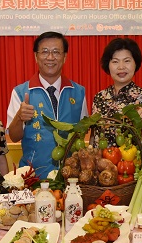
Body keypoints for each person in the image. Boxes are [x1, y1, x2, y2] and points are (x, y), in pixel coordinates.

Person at [6, 31, 87, 179]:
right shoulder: (20, 92)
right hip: (33, 178)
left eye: (56, 52)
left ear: (65, 57)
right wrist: (19, 117)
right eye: (44, 52)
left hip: (71, 178)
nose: (50, 57)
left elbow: (83, 134)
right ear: (36, 56)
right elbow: (14, 136)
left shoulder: (78, 93)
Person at [92, 37, 142, 146]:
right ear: (108, 65)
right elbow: (94, 136)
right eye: (115, 61)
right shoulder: (99, 97)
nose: (121, 67)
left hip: (131, 162)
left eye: (127, 61)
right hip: (102, 162)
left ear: (135, 63)